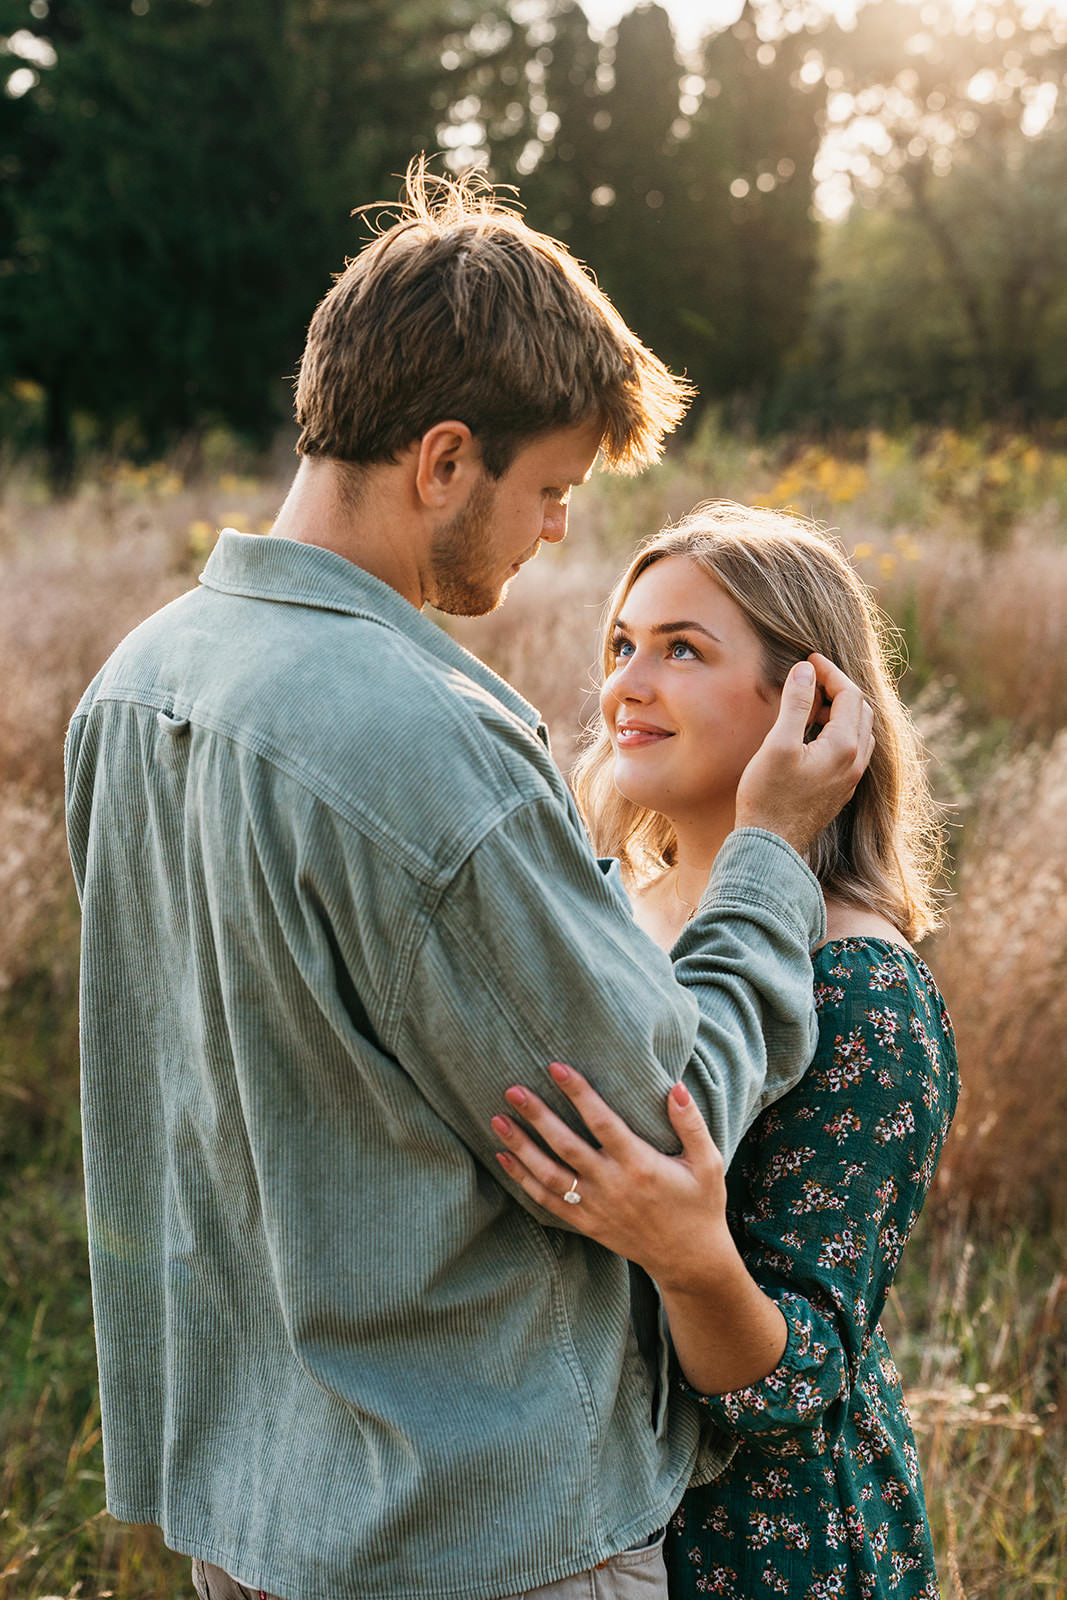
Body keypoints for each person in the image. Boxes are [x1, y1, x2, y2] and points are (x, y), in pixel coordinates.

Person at [64, 166, 873, 1600]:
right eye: (550, 488)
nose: (557, 529)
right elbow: (650, 1122)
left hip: (253, 1512)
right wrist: (765, 861)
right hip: (482, 1527)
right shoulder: (422, 732)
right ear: (443, 460)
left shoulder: (133, 687)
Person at [491, 503, 957, 1600]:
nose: (625, 688)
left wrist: (688, 1249)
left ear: (810, 702)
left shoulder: (860, 991)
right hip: (568, 1524)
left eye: (680, 650)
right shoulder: (600, 912)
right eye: (621, 646)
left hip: (760, 1548)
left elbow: (793, 1375)